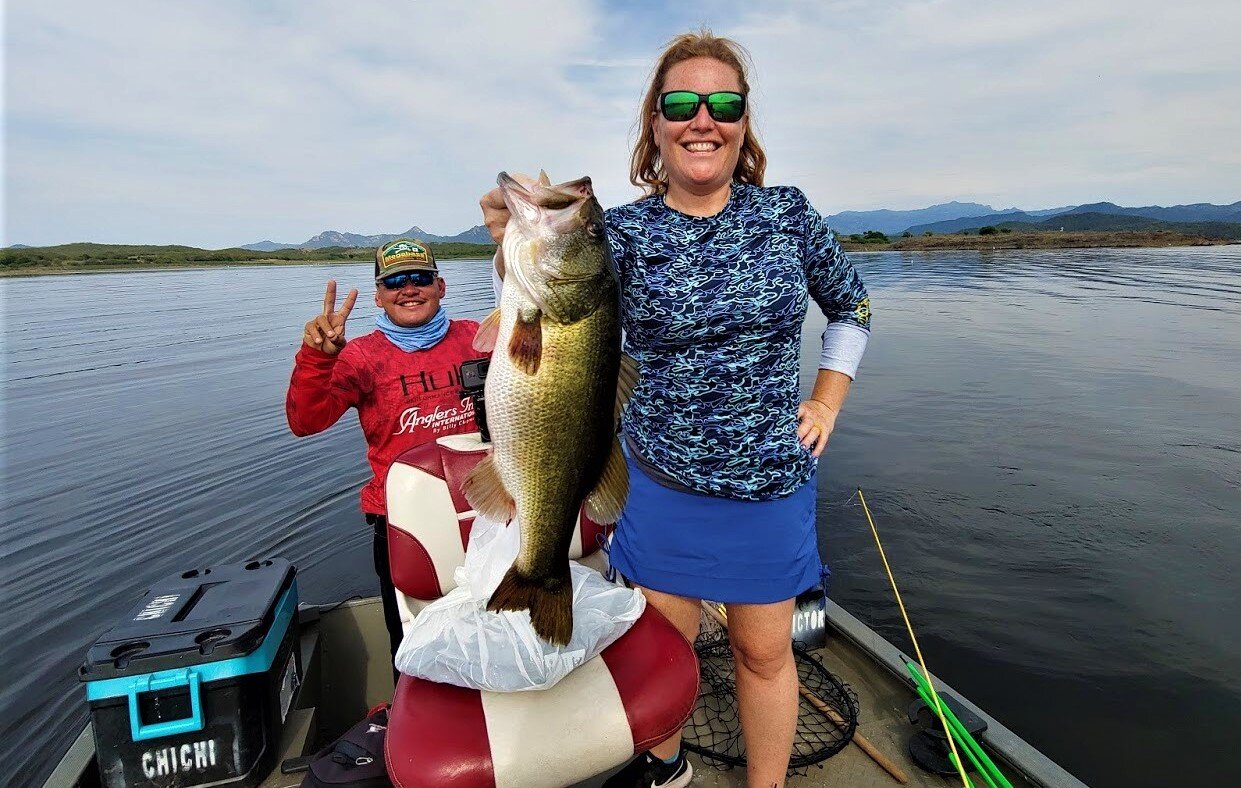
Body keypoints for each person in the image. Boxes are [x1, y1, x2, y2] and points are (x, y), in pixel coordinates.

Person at [480, 31, 871, 788]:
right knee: (665, 652)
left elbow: (850, 306)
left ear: (743, 122)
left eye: (723, 103)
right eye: (680, 103)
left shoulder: (787, 215)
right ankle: (667, 768)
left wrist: (825, 399)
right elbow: (550, 304)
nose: (703, 119)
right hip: (658, 476)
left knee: (763, 653)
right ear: (654, 126)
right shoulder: (620, 231)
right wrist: (508, 243)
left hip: (768, 482)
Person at [285, 238, 486, 661]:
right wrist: (316, 358)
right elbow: (306, 421)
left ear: (441, 286)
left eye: (420, 278)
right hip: (404, 522)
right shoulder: (359, 356)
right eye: (395, 281)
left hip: (488, 507)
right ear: (379, 297)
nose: (408, 289)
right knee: (413, 642)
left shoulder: (478, 337)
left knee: (499, 620)